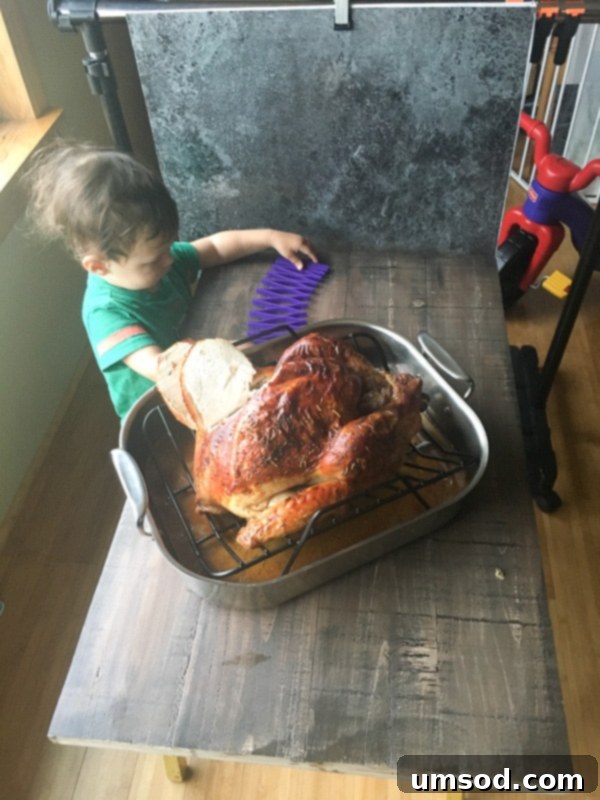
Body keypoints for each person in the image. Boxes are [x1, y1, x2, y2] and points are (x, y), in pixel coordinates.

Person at [24, 140, 317, 420]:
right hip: (161, 409)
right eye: (154, 259)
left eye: (168, 248)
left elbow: (213, 248)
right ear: (99, 266)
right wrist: (230, 354)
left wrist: (269, 237)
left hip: (199, 382)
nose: (170, 260)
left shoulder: (157, 260)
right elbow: (163, 369)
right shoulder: (106, 314)